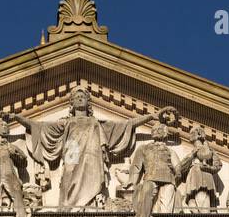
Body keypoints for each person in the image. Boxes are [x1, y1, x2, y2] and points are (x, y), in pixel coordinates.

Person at [15, 87, 151, 208]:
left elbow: (125, 125)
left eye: (83, 97)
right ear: (72, 103)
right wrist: (16, 117)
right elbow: (38, 127)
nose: (80, 99)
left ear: (88, 102)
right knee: (69, 178)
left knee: (93, 183)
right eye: (76, 97)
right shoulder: (66, 122)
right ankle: (69, 208)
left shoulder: (97, 123)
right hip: (72, 155)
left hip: (92, 157)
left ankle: (91, 207)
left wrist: (150, 117)